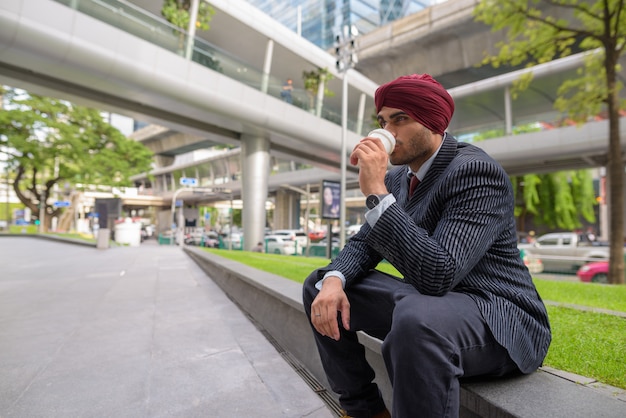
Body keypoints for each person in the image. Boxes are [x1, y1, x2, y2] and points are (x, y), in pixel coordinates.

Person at [302, 74, 551, 418]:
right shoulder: (396, 180)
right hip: (431, 307)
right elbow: (363, 245)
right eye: (382, 121)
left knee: (416, 319)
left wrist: (376, 193)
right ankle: (365, 411)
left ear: (433, 122)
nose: (387, 132)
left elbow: (439, 273)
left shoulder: (476, 172)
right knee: (320, 285)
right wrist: (334, 280)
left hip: (498, 317)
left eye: (400, 119)